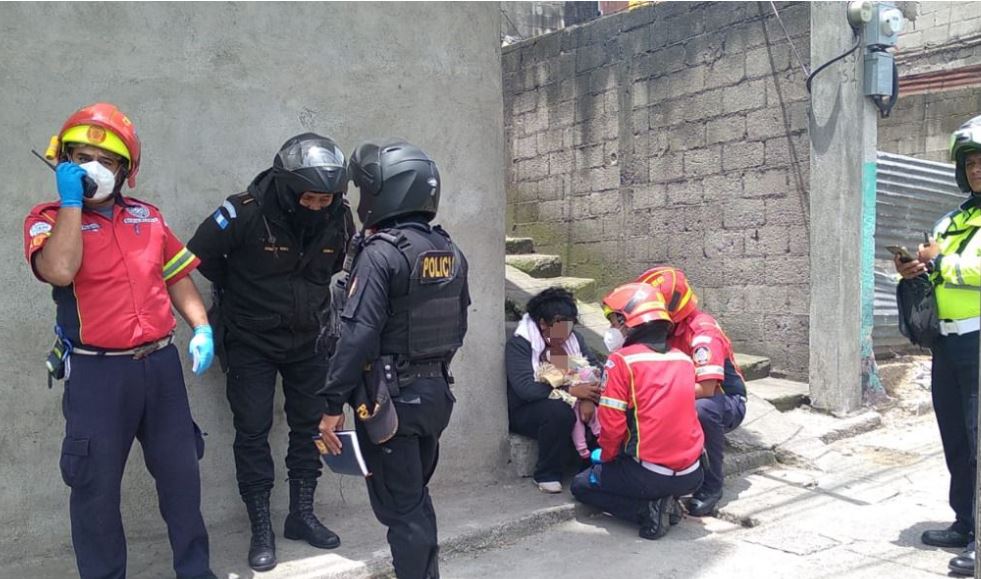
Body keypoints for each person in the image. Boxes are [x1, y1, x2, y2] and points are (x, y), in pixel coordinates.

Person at [23, 103, 216, 579]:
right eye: (81, 156)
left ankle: (196, 571)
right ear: (63, 161)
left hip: (160, 368)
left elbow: (177, 278)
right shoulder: (46, 219)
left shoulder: (148, 218)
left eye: (105, 160)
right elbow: (59, 269)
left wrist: (202, 327)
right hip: (97, 375)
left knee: (182, 480)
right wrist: (71, 204)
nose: (93, 168)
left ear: (125, 170)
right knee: (95, 489)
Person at [187, 133, 353, 571]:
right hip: (250, 341)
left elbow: (334, 268)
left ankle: (301, 514)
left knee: (310, 427)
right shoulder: (243, 212)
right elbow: (198, 257)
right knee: (253, 430)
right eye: (310, 197)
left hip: (310, 340)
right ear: (287, 186)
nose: (318, 205)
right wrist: (241, 292)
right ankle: (260, 525)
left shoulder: (339, 216)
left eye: (326, 198)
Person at [317, 139, 470, 579]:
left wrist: (330, 406)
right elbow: (458, 324)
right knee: (414, 500)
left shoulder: (381, 253)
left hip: (390, 402)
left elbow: (357, 335)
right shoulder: (448, 251)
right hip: (434, 394)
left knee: (402, 511)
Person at [896, 115, 981, 577]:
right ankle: (966, 523)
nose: (976, 169)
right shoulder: (951, 219)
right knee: (956, 439)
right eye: (970, 162)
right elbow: (934, 264)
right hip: (947, 345)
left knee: (979, 441)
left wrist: (942, 262)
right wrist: (914, 270)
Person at [571, 282, 704, 540]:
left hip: (649, 475)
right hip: (692, 473)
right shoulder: (683, 359)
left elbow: (612, 427)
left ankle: (647, 511)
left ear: (625, 321)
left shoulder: (621, 361)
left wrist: (607, 457)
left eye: (612, 322)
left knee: (582, 485)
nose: (610, 329)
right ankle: (666, 502)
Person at [635, 266, 747, 517]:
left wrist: (660, 395)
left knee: (701, 410)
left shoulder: (702, 332)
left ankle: (712, 485)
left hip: (724, 399)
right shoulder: (664, 329)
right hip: (683, 391)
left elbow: (706, 388)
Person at [506, 287, 602, 493]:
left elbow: (592, 370)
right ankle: (547, 473)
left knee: (605, 406)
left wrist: (587, 398)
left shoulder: (573, 340)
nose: (565, 336)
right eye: (558, 329)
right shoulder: (521, 344)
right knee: (559, 412)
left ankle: (593, 465)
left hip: (572, 400)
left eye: (568, 329)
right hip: (528, 409)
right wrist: (572, 392)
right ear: (542, 324)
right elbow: (526, 389)